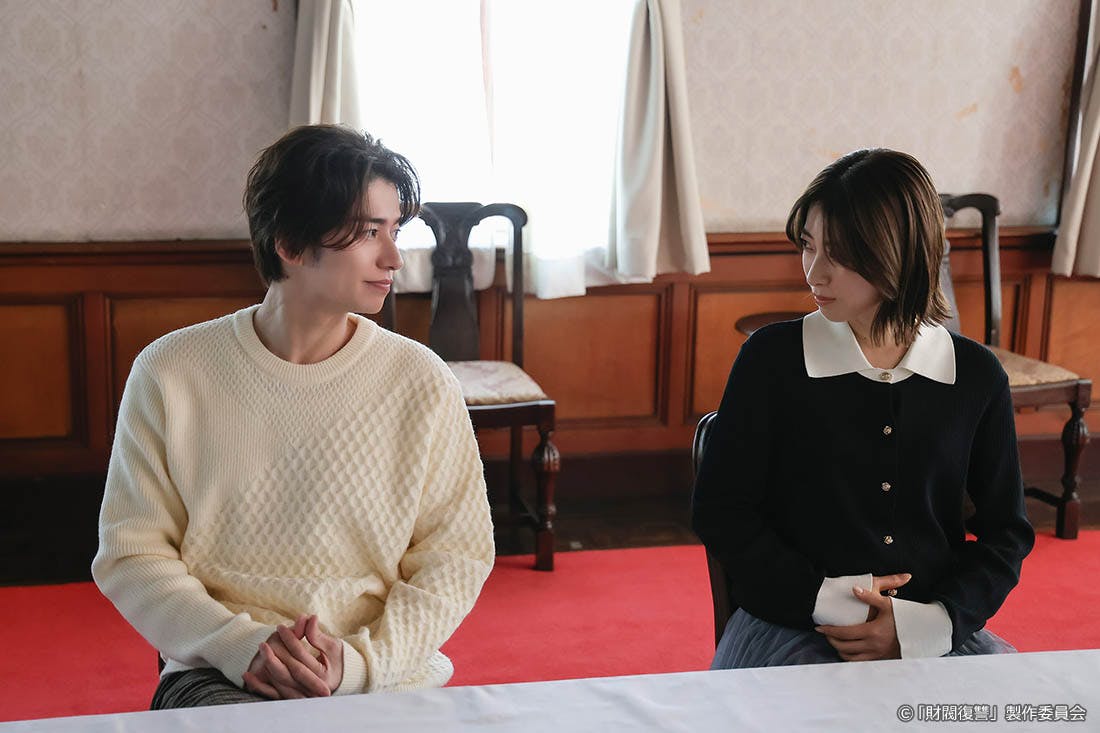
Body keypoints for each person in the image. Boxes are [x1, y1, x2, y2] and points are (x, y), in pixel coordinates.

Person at [92, 124, 495, 708]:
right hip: (221, 673)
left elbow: (455, 556)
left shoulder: (421, 380)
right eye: (369, 232)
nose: (394, 258)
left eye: (395, 231)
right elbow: (133, 554)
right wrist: (243, 647)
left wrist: (359, 663)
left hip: (385, 673)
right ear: (289, 242)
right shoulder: (172, 371)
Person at [692, 148, 1034, 668]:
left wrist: (933, 623)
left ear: (899, 254)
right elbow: (722, 512)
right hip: (795, 619)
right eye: (808, 246)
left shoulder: (975, 376)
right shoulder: (771, 361)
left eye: (840, 254)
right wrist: (828, 600)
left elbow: (1006, 533)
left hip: (932, 626)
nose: (815, 273)